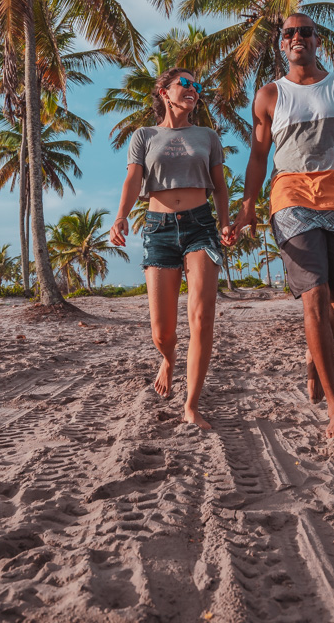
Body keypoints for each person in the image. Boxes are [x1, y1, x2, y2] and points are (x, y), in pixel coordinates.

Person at [232, 14, 334, 438]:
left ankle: (315, 357)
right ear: (281, 45)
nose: (297, 38)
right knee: (314, 297)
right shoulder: (269, 95)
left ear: (318, 40)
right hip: (291, 197)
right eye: (289, 34)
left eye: (305, 32)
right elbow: (258, 158)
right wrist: (248, 206)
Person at [110, 68, 235, 430]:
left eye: (196, 86)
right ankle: (168, 358)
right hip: (158, 229)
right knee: (161, 332)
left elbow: (220, 186)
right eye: (185, 84)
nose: (193, 89)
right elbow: (134, 178)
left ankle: (191, 405)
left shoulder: (208, 136)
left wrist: (224, 221)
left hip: (201, 227)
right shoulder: (144, 135)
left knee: (201, 317)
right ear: (164, 92)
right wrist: (120, 217)